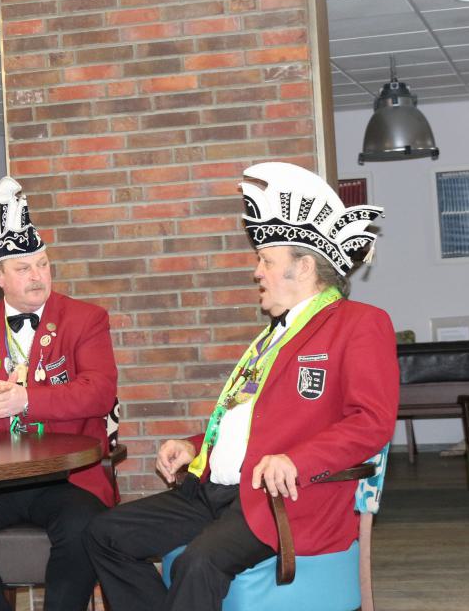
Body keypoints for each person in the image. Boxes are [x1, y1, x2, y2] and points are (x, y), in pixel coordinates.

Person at [86, 162, 399, 611]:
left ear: (304, 267)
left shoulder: (360, 323)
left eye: (266, 261)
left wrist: (297, 460)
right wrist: (196, 446)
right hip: (212, 491)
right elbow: (251, 418)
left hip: (283, 501)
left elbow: (372, 422)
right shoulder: (272, 336)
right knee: (104, 533)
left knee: (198, 563)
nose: (257, 272)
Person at [0, 176, 118, 611]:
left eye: (43, 264)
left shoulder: (86, 319)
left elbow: (99, 393)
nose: (37, 276)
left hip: (66, 478)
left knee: (82, 528)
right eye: (23, 268)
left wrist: (27, 400)